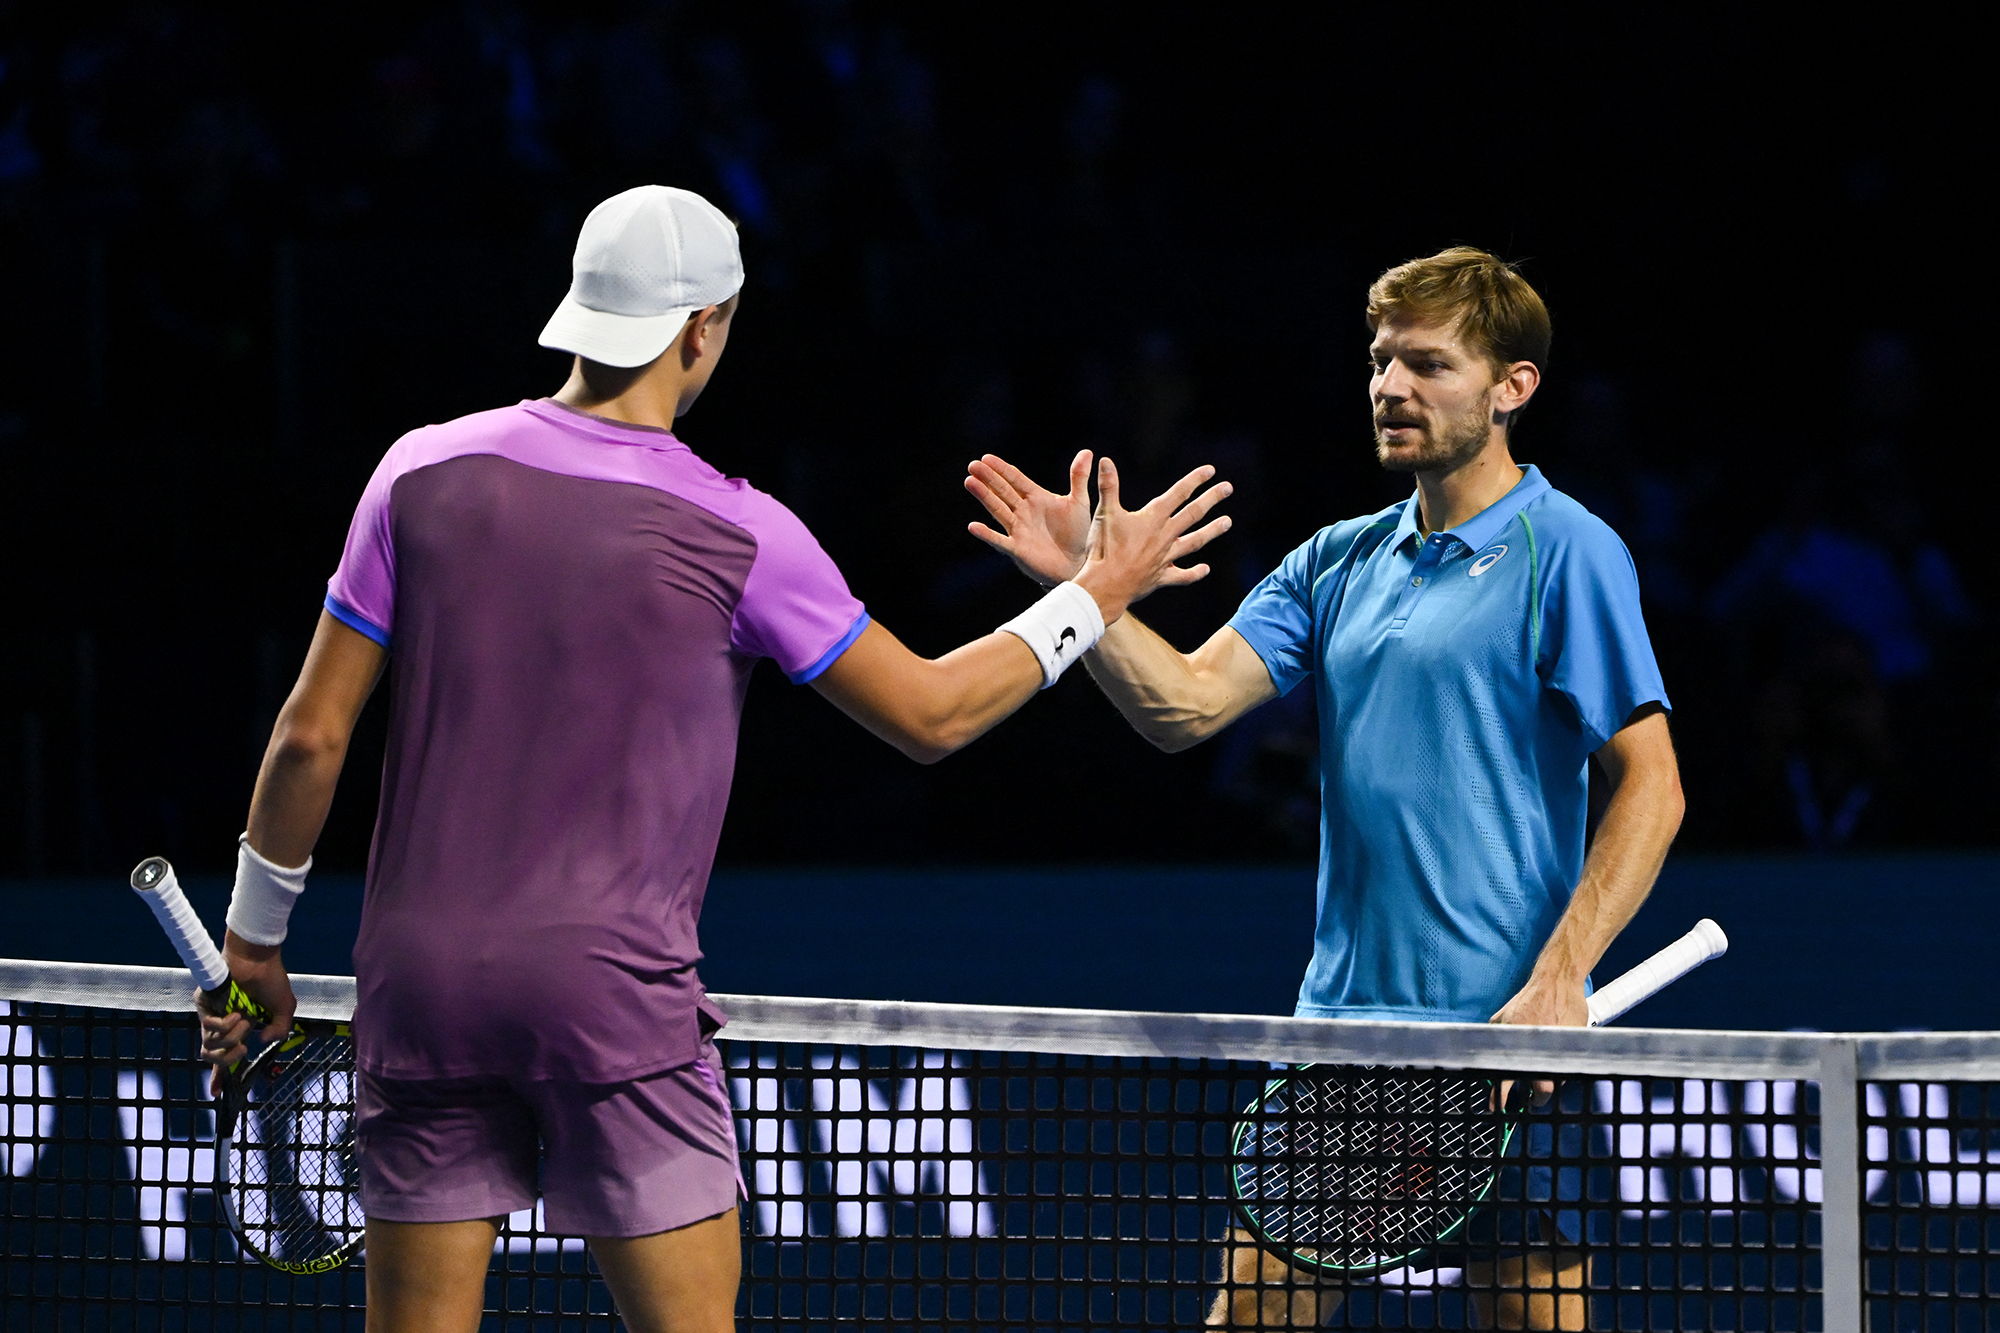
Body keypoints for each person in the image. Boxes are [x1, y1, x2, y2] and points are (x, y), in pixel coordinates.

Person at [195, 184, 1231, 1333]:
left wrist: (253, 946)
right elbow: (931, 715)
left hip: (422, 989)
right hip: (612, 1007)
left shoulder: (415, 473)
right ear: (701, 329)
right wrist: (1093, 595)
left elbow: (308, 734)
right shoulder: (741, 530)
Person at [964, 247, 1684, 1330]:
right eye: (1379, 360)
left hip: (1509, 1053)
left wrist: (1557, 978)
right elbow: (1184, 706)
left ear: (1510, 388)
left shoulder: (1567, 550)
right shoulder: (1333, 562)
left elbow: (1652, 786)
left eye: (1428, 365)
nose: (1391, 386)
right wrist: (1085, 597)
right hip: (1342, 1045)